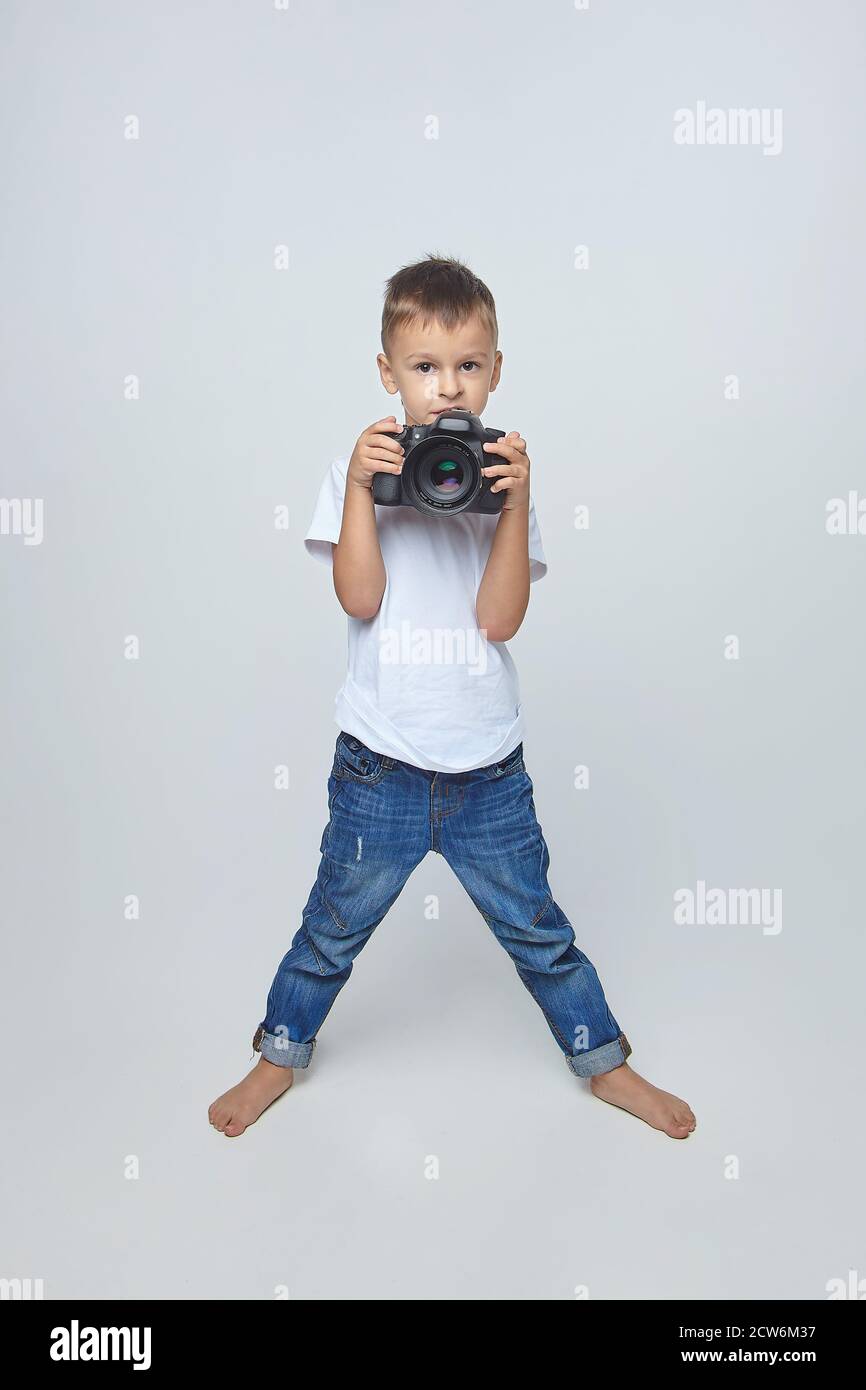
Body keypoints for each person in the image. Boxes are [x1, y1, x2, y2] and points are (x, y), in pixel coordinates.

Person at [209, 254, 696, 1140]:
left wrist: (511, 506)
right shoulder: (360, 472)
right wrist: (363, 487)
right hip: (379, 765)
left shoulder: (502, 478)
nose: (446, 389)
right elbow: (359, 598)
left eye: (468, 365)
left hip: (487, 773)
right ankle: (276, 1057)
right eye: (425, 368)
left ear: (497, 372)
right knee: (330, 929)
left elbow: (500, 620)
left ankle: (606, 1065)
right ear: (387, 374)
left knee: (539, 931)